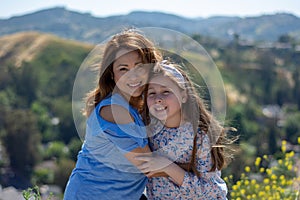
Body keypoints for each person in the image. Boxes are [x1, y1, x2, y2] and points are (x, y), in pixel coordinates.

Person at [64, 29, 162, 200]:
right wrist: (199, 169)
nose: (133, 76)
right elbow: (149, 166)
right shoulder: (113, 110)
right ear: (112, 74)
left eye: (139, 66)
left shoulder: (137, 105)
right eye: (124, 69)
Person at [136, 61, 229, 199]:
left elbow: (211, 190)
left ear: (184, 95)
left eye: (166, 91)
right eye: (152, 93)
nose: (158, 99)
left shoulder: (199, 136)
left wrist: (168, 167)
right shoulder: (148, 129)